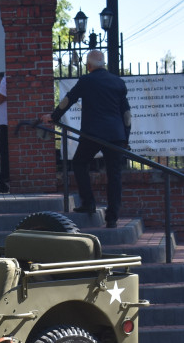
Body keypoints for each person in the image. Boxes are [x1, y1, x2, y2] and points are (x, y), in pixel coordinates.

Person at [45, 49, 131, 229]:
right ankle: (112, 218)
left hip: (92, 133)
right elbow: (126, 114)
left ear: (89, 65)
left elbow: (68, 100)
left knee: (79, 163)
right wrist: (126, 138)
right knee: (114, 175)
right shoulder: (118, 83)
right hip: (115, 135)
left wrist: (53, 117)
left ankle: (89, 202)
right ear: (104, 64)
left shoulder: (86, 80)